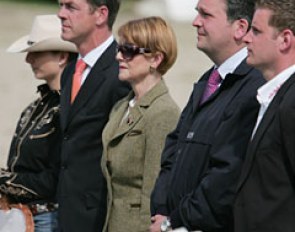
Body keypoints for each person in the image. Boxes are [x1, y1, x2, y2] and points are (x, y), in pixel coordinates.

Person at [150, 0, 265, 231]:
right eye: (196, 13)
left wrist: (176, 220)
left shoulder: (253, 87)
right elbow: (173, 150)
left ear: (240, 28)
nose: (195, 22)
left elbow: (226, 176)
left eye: (206, 15)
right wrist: (162, 210)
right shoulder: (208, 81)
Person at [101, 16, 180, 232]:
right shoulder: (120, 107)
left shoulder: (163, 113)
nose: (118, 56)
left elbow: (154, 192)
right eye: (119, 48)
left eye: (128, 50)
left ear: (155, 59)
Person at [57, 0, 130, 231]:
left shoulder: (122, 71)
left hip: (99, 217)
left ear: (101, 15)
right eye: (60, 5)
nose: (60, 14)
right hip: (65, 213)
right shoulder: (70, 71)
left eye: (71, 7)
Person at [0, 14, 77, 232]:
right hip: (20, 217)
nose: (28, 60)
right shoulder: (35, 108)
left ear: (62, 57)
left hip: (47, 219)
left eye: (36, 53)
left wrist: (4, 180)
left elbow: (56, 178)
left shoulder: (69, 111)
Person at [234, 0, 295, 231]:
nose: (247, 38)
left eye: (256, 31)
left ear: (285, 40)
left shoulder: (292, 102)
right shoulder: (271, 97)